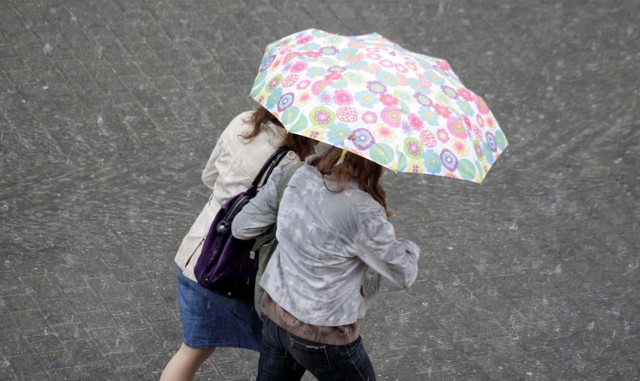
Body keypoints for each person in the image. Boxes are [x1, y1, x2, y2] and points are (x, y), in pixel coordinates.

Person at [232, 147, 420, 381]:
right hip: (322, 332)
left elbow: (242, 227)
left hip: (276, 313)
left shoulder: (295, 174)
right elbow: (402, 274)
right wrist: (408, 246)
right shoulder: (363, 211)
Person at [160, 107, 317, 381]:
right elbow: (287, 223)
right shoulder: (290, 162)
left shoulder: (242, 123)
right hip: (243, 273)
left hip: (198, 259)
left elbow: (209, 176)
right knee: (285, 356)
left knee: (192, 350)